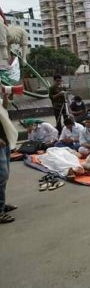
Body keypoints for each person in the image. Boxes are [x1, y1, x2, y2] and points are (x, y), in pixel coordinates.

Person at [0, 92, 18, 224]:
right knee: (1, 176)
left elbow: (3, 108)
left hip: (4, 142)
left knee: (4, 177)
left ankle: (1, 204)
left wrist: (5, 96)